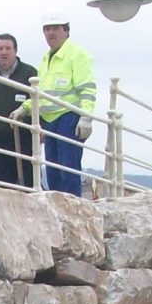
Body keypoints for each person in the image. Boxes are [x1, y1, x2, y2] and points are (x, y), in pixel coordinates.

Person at [25, 15, 96, 196]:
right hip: (50, 121)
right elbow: (42, 92)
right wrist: (25, 107)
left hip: (69, 117)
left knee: (68, 169)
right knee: (53, 171)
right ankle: (58, 211)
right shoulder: (46, 58)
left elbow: (87, 89)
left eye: (55, 28)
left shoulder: (77, 54)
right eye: (47, 29)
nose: (50, 33)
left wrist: (86, 117)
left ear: (66, 30)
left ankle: (73, 209)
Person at [0, 33, 37, 187]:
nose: (4, 52)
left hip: (24, 139)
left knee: (28, 184)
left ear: (15, 51)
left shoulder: (30, 73)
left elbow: (38, 102)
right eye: (0, 48)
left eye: (8, 48)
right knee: (1, 189)